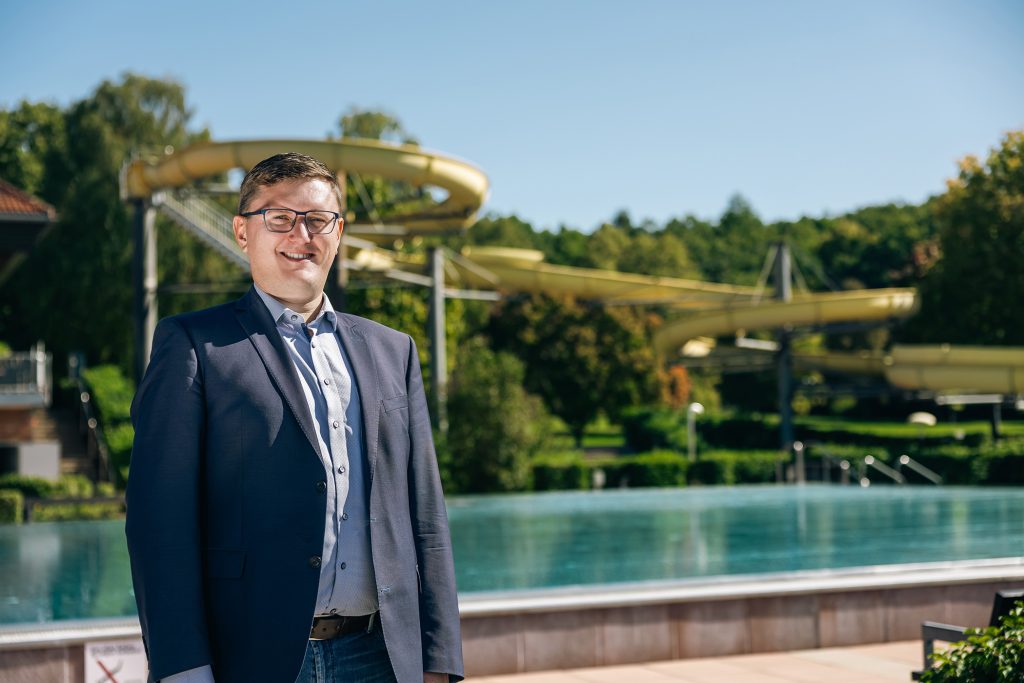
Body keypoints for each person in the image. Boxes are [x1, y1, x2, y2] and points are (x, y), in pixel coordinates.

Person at [125, 152, 462, 683]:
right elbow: (158, 525)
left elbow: (427, 519)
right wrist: (183, 668)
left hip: (382, 658)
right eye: (279, 218)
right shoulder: (193, 345)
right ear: (242, 232)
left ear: (338, 232)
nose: (300, 234)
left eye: (317, 219)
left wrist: (439, 659)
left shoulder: (393, 351)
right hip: (251, 658)